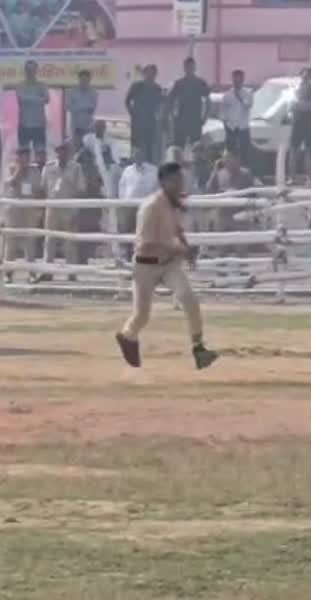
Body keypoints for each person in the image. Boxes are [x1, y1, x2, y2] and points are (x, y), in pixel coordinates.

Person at [115, 162, 219, 370]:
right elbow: (145, 243)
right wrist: (178, 249)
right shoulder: (150, 206)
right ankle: (127, 336)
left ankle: (198, 348)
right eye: (175, 180)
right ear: (163, 182)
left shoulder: (175, 203)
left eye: (180, 180)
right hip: (146, 265)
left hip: (169, 264)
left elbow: (177, 229)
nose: (180, 184)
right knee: (142, 315)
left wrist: (185, 247)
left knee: (189, 298)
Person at [1, 146, 44, 282]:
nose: (24, 159)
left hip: (29, 212)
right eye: (21, 156)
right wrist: (20, 170)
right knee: (11, 244)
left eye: (26, 156)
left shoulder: (35, 170)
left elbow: (39, 189)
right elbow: (11, 183)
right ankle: (8, 273)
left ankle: (31, 273)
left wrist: (39, 209)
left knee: (30, 243)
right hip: (14, 211)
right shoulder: (11, 168)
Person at [42, 141, 85, 270]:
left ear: (69, 153)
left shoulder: (76, 168)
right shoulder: (49, 167)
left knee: (70, 241)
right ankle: (47, 270)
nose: (62, 153)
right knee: (50, 240)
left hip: (69, 208)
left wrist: (76, 210)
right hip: (52, 207)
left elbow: (81, 188)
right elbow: (43, 187)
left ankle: (71, 271)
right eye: (59, 150)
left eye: (65, 150)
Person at [167, 57, 210, 151]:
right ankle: (177, 165)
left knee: (197, 148)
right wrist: (172, 116)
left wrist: (205, 117)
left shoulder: (200, 83)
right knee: (178, 148)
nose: (189, 69)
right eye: (187, 67)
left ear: (195, 68)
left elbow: (207, 100)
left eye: (191, 67)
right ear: (184, 68)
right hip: (180, 121)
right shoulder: (179, 83)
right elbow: (170, 100)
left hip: (195, 120)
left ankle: (196, 165)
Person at [125, 65, 163, 163]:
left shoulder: (158, 88)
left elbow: (161, 104)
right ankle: (133, 167)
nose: (150, 75)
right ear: (144, 74)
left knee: (150, 147)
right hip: (137, 121)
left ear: (156, 75)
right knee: (136, 146)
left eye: (153, 73)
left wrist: (158, 114)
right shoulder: (137, 86)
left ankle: (149, 168)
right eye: (148, 72)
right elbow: (127, 100)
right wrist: (132, 113)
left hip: (151, 121)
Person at [290, 69, 311, 181]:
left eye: (308, 76)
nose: (305, 78)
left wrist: (301, 105)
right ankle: (292, 177)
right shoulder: (294, 89)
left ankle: (309, 178)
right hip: (296, 124)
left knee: (309, 152)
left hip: (309, 124)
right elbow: (291, 105)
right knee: (293, 151)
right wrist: (300, 106)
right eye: (304, 75)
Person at [15, 60, 50, 154]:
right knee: (23, 154)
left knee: (40, 153)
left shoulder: (42, 85)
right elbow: (21, 100)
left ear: (36, 71)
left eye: (32, 70)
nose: (30, 72)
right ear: (25, 71)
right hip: (24, 124)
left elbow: (47, 99)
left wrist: (29, 99)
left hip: (39, 125)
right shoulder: (20, 85)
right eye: (28, 70)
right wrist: (38, 98)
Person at [221, 69, 253, 162]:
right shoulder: (227, 95)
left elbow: (248, 105)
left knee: (244, 154)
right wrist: (226, 127)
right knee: (231, 154)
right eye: (235, 80)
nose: (237, 82)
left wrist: (239, 96)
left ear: (243, 80)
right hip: (231, 129)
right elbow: (223, 113)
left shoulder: (248, 93)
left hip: (243, 129)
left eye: (239, 80)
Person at [65, 69, 98, 138]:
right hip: (76, 125)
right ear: (79, 79)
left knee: (88, 145)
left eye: (86, 80)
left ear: (89, 80)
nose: (84, 82)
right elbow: (68, 107)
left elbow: (92, 108)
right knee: (76, 146)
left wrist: (77, 107)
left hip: (89, 125)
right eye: (82, 79)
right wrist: (84, 107)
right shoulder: (72, 92)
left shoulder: (93, 92)